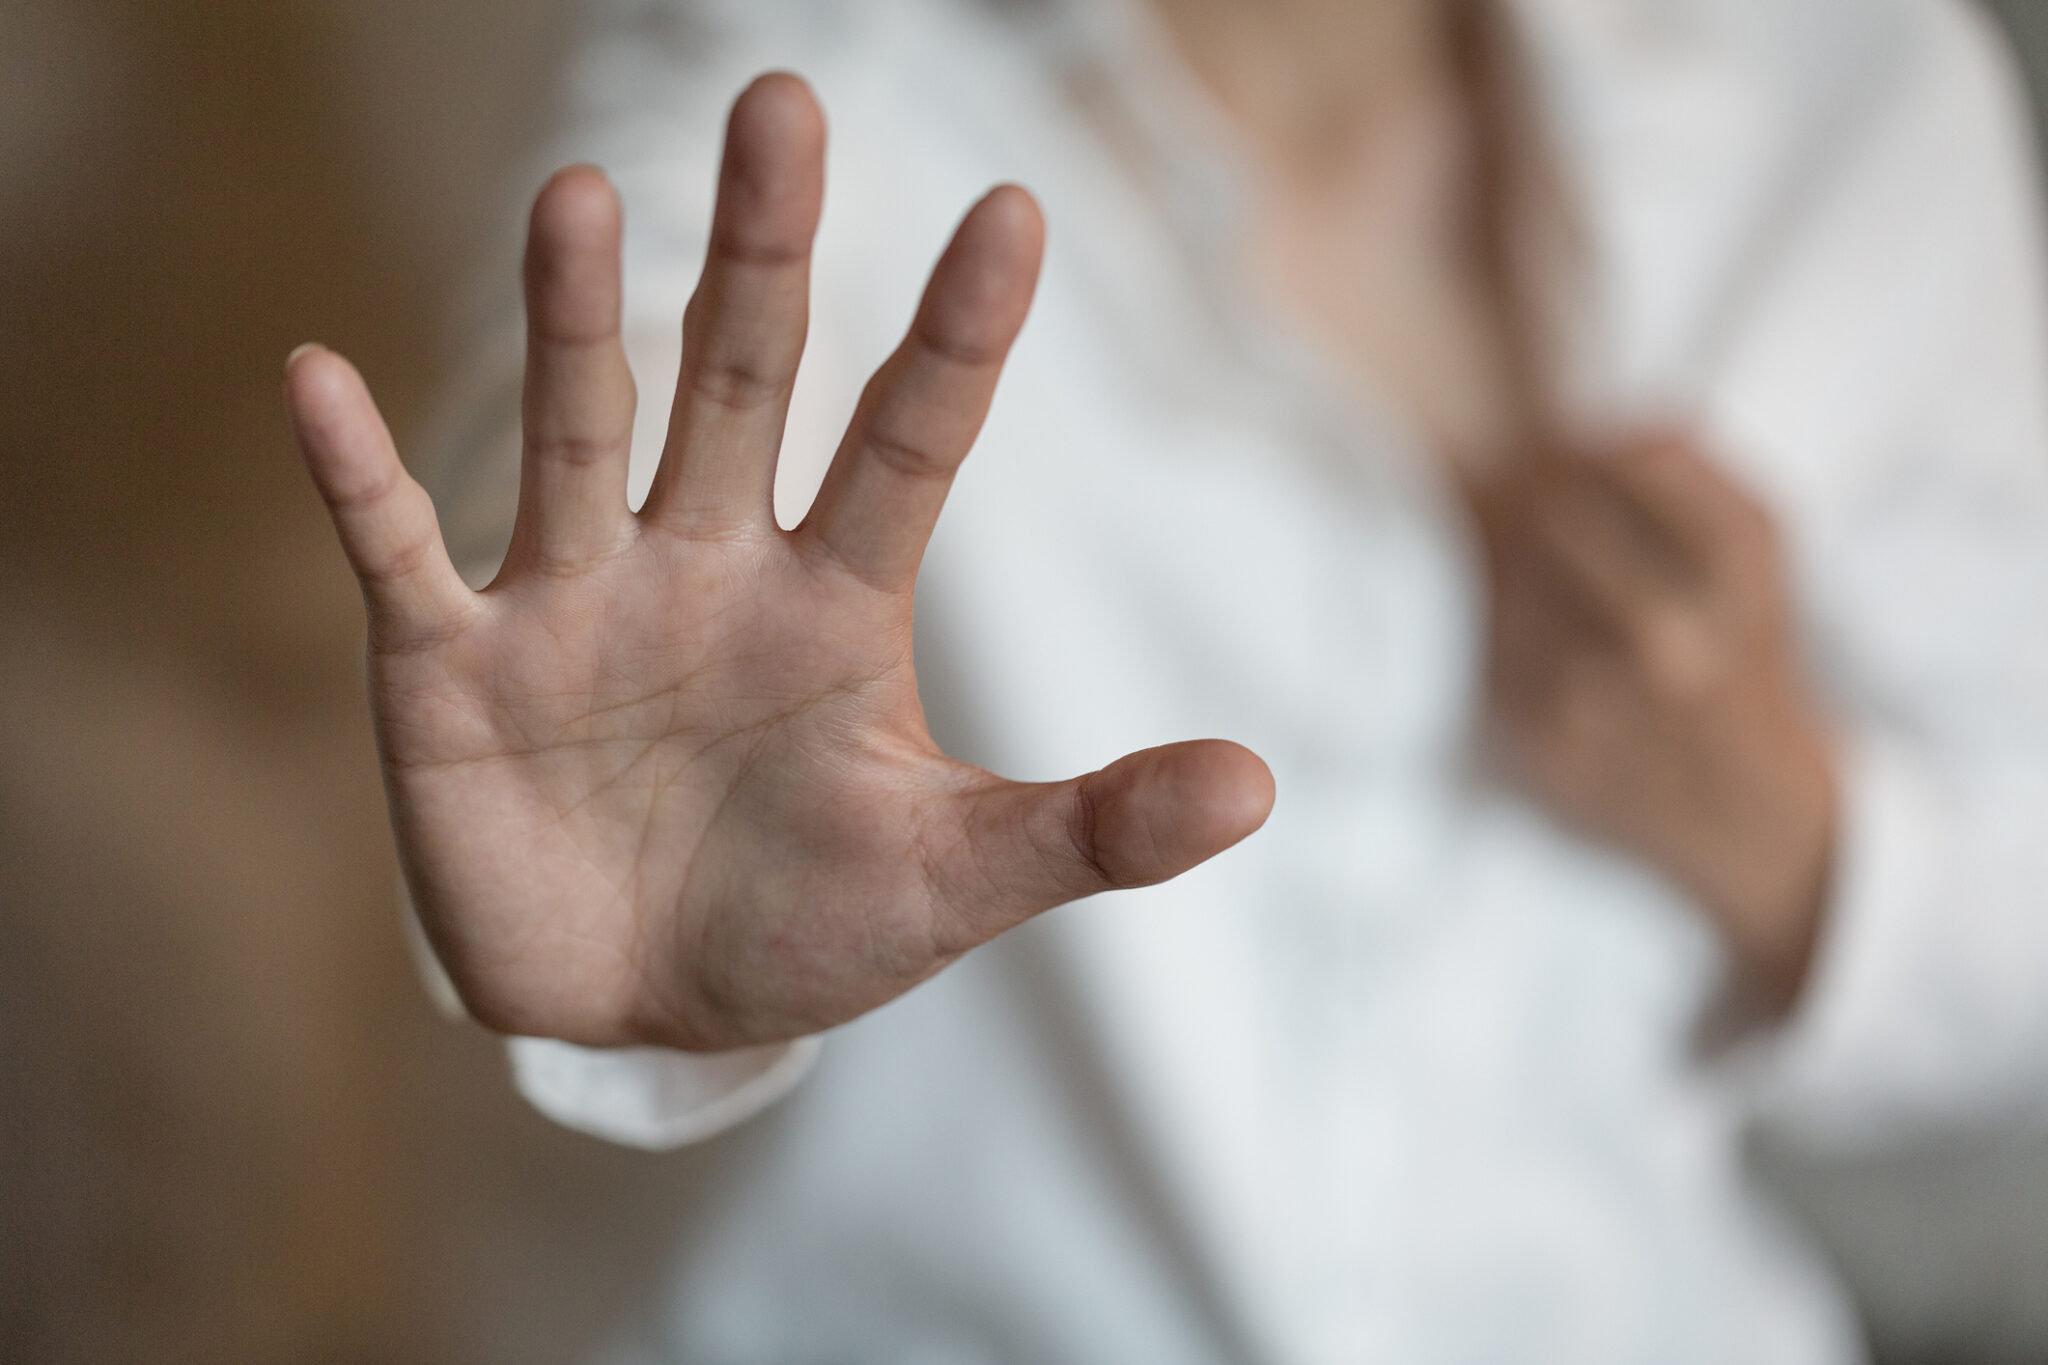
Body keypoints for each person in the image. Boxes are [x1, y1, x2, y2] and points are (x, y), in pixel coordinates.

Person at [285, 0, 2048, 1358]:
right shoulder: (791, 86)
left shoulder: (1862, 95)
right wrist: (613, 841)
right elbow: (599, 431)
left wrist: (1791, 833)